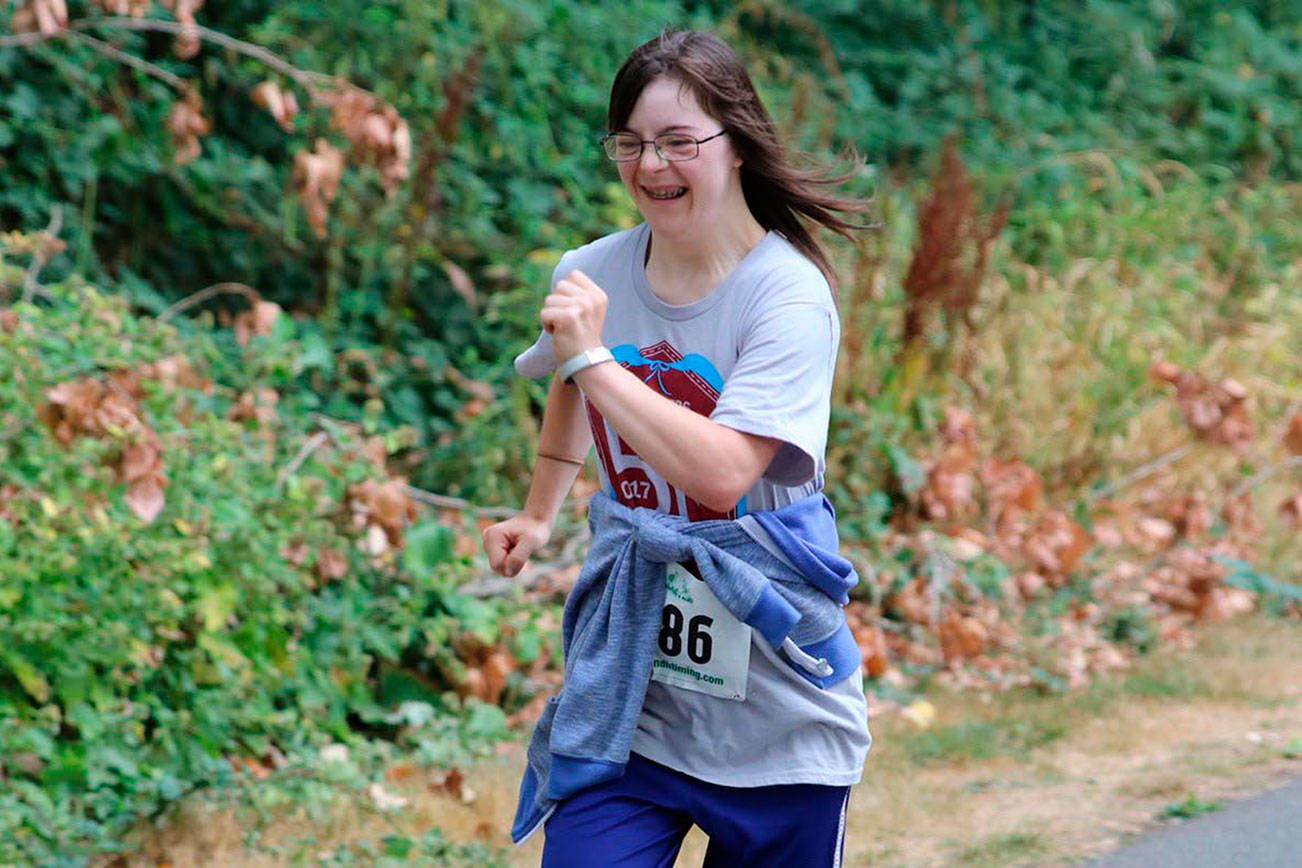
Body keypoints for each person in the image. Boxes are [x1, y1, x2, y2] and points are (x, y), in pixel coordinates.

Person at [481, 26, 874, 867]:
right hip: (634, 692)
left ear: (736, 146)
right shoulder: (592, 270)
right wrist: (541, 511)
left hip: (779, 696)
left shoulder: (787, 296)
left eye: (677, 142)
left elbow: (724, 474)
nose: (650, 166)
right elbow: (567, 387)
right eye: (629, 143)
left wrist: (593, 355)